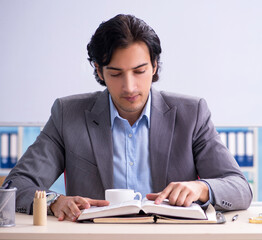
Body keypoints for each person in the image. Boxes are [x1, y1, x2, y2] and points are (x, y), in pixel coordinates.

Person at [3, 14, 252, 222]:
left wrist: (202, 188)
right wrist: (54, 202)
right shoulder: (68, 114)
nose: (130, 87)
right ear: (99, 71)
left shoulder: (192, 113)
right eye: (116, 74)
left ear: (154, 66)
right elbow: (16, 186)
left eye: (139, 71)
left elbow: (240, 188)